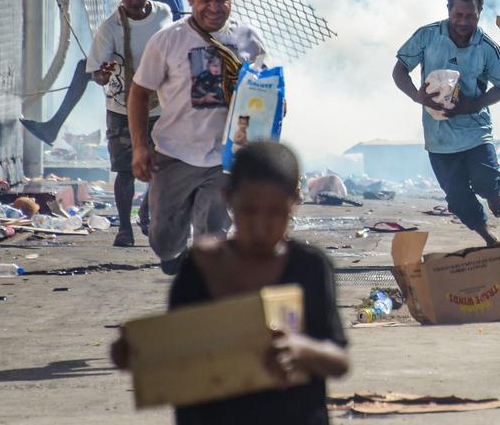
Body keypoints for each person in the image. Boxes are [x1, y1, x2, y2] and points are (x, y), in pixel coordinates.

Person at [111, 141, 349, 425]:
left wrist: (300, 349)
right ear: (227, 198)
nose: (261, 226)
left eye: (276, 213)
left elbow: (338, 360)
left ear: (295, 202)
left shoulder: (309, 267)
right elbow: (174, 349)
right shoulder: (200, 266)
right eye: (249, 211)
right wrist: (134, 352)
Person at [129, 0, 267, 274]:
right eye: (205, 0)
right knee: (163, 240)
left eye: (222, 0)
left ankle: (204, 292)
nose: (214, 8)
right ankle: (172, 253)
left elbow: (264, 89)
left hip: (225, 158)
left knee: (211, 237)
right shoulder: (168, 41)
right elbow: (138, 94)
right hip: (175, 154)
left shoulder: (247, 38)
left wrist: (273, 109)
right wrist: (140, 148)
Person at [392, 0, 500, 246]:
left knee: (485, 180)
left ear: (480, 13)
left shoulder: (487, 48)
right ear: (448, 10)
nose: (463, 22)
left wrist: (472, 104)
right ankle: (488, 238)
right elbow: (399, 70)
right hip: (439, 137)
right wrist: (417, 95)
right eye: (458, 15)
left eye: (470, 16)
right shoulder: (427, 36)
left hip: (475, 130)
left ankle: (492, 192)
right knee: (457, 198)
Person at [87, 0, 173, 247]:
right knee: (125, 169)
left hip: (160, 106)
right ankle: (125, 228)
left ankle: (147, 209)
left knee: (162, 165)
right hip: (122, 108)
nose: (135, 1)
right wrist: (105, 71)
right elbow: (98, 77)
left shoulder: (163, 14)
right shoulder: (110, 28)